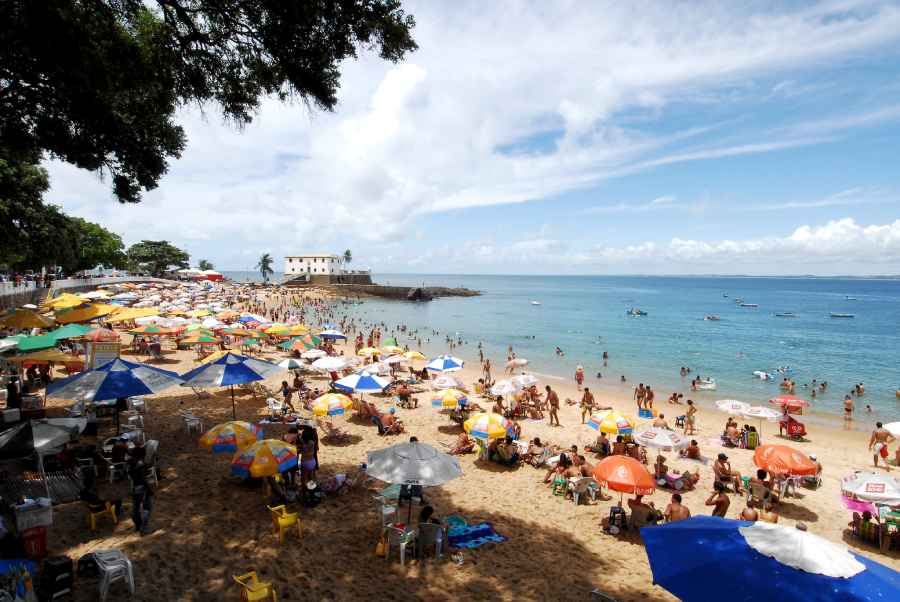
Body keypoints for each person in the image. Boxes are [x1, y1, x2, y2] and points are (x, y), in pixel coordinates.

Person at [128, 447, 153, 536]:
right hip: (142, 488)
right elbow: (143, 479)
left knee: (135, 508)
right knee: (147, 509)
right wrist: (149, 489)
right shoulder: (140, 464)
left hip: (134, 487)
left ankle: (138, 526)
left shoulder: (133, 463)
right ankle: (143, 529)